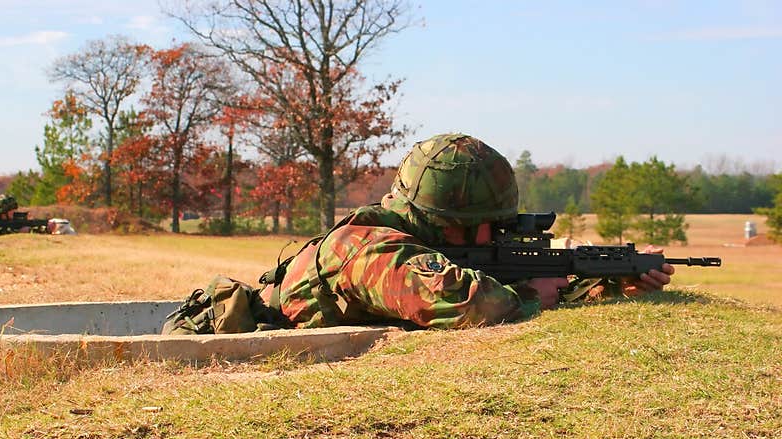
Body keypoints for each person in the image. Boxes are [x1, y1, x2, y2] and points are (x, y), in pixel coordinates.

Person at [258, 132, 674, 330]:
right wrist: (531, 298)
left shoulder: (434, 243)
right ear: (448, 222)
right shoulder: (366, 246)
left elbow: (522, 277)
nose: (497, 234)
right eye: (488, 225)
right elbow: (460, 302)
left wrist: (613, 281)